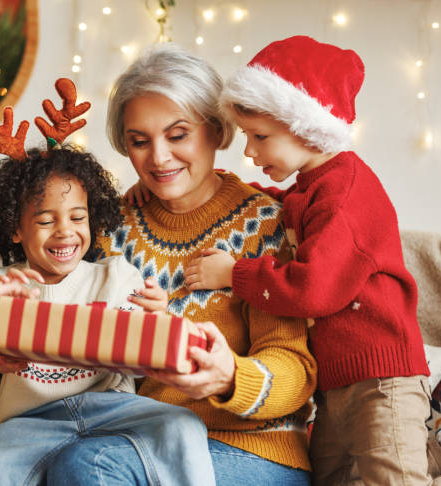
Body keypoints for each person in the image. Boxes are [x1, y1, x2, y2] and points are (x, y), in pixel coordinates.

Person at [177, 35, 441, 485]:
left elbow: (313, 287)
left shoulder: (345, 193)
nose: (249, 151)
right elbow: (285, 206)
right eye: (247, 136)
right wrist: (228, 191)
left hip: (382, 378)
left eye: (260, 137)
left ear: (306, 128)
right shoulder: (312, 186)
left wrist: (234, 273)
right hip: (336, 382)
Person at [49, 43, 318, 486]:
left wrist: (230, 377)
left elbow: (295, 371)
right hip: (139, 436)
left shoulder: (264, 225)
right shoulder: (110, 230)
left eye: (177, 135)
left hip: (253, 448)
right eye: (140, 142)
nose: (158, 158)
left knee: (89, 465)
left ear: (215, 130)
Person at [0, 110, 217, 484]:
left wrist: (159, 321)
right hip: (30, 421)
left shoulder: (116, 275)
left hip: (113, 408)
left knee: (182, 425)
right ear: (16, 229)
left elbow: (143, 364)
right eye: (46, 221)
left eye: (78, 218)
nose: (65, 233)